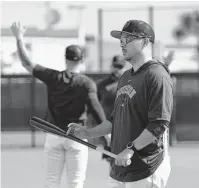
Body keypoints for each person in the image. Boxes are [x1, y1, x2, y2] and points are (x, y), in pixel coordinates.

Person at [67, 20, 173, 188]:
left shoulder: (156, 75)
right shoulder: (125, 77)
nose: (122, 44)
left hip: (145, 169)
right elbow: (114, 120)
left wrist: (131, 149)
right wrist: (87, 133)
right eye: (121, 40)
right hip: (119, 168)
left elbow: (159, 124)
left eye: (128, 39)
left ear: (145, 41)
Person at [10, 22, 106, 188]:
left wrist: (19, 37)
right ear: (82, 59)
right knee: (76, 184)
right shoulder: (87, 83)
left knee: (51, 183)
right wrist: (107, 134)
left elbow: (27, 63)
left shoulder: (53, 77)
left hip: (54, 135)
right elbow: (96, 110)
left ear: (65, 59)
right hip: (77, 137)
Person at [97, 55, 127, 162]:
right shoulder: (102, 84)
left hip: (127, 127)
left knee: (127, 161)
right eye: (116, 66)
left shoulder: (131, 82)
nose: (118, 69)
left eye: (120, 67)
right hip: (110, 127)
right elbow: (96, 107)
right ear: (112, 66)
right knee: (112, 162)